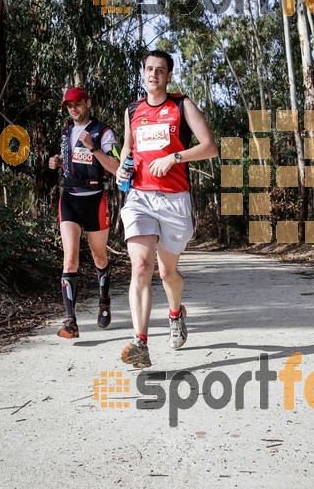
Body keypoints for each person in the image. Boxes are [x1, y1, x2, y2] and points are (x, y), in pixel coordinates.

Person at [116, 50, 218, 368]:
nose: (154, 74)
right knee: (142, 266)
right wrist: (121, 167)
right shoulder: (133, 110)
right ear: (143, 73)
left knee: (167, 272)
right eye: (149, 69)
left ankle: (175, 314)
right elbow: (128, 149)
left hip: (174, 199)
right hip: (140, 198)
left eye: (161, 70)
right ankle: (140, 343)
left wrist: (174, 157)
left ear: (169, 76)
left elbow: (209, 147)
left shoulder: (181, 105)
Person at [49, 86, 120, 338]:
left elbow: (116, 168)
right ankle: (71, 321)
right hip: (69, 198)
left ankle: (104, 301)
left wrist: (94, 148)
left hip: (95, 200)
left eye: (77, 104)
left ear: (87, 103)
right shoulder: (66, 131)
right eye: (69, 106)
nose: (73, 109)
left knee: (99, 257)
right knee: (70, 259)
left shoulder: (103, 132)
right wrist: (57, 161)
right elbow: (69, 159)